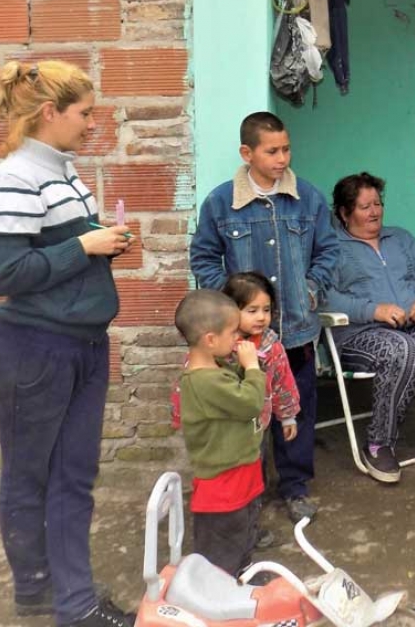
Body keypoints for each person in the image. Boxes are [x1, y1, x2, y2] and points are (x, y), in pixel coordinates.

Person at [0, 61, 136, 626]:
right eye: (85, 113)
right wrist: (85, 247)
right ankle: (42, 591)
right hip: (35, 350)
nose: (93, 124)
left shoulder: (63, 172)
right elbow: (6, 274)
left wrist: (100, 242)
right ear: (50, 112)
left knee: (73, 477)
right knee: (30, 478)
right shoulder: (14, 178)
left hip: (80, 344)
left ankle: (71, 598)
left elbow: (57, 253)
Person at [190, 112, 339, 522]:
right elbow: (203, 257)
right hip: (242, 343)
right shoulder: (221, 202)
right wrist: (230, 306)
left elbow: (329, 251)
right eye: (272, 151)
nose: (282, 158)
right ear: (247, 153)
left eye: (286, 149)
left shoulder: (308, 198)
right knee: (245, 415)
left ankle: (295, 486)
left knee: (296, 409)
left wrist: (311, 290)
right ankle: (248, 491)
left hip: (296, 331)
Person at [324, 172, 415, 483]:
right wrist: (374, 310)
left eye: (378, 203)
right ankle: (379, 443)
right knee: (403, 350)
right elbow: (324, 296)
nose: (375, 212)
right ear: (344, 212)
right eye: (365, 206)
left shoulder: (399, 238)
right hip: (358, 335)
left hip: (411, 325)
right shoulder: (331, 248)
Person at [170, 272, 300, 548]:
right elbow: (187, 392)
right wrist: (183, 418)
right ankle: (235, 537)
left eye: (267, 310)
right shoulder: (213, 355)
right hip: (226, 437)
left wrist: (287, 413)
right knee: (230, 490)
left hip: (257, 428)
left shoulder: (269, 345)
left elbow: (282, 381)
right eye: (252, 310)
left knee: (254, 480)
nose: (261, 317)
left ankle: (249, 527)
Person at [173, 290, 267, 577]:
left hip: (241, 473)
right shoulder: (204, 381)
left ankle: (242, 576)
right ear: (210, 340)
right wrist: (252, 367)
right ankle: (218, 588)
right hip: (224, 485)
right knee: (222, 548)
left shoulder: (216, 368)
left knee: (244, 534)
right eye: (233, 332)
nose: (238, 338)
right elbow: (250, 403)